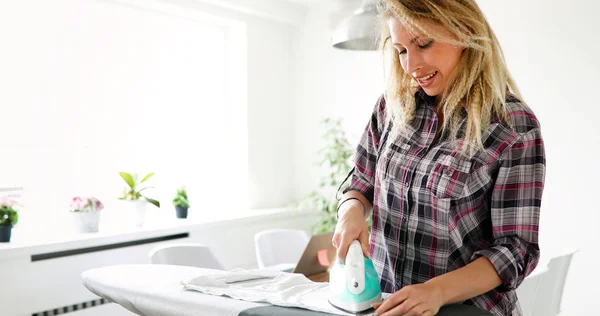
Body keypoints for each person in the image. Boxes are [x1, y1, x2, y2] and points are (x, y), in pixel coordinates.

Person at [332, 1, 545, 315]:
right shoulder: (391, 108)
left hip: (468, 311)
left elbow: (516, 249)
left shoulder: (512, 126)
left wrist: (436, 292)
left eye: (423, 44)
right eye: (402, 50)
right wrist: (351, 210)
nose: (411, 66)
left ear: (465, 32)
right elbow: (361, 181)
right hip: (386, 306)